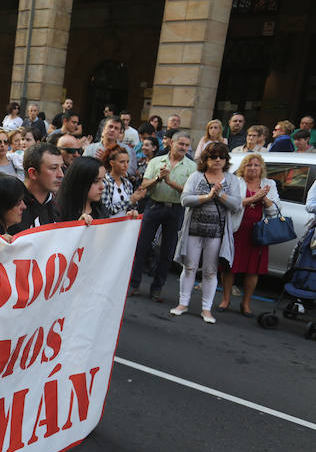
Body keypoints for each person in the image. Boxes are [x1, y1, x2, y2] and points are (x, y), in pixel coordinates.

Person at [170, 142, 241, 324]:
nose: (217, 160)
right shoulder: (196, 176)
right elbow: (185, 199)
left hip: (217, 233)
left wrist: (220, 195)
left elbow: (236, 204)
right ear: (206, 159)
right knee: (189, 267)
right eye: (213, 156)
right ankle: (182, 304)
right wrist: (207, 197)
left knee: (210, 271)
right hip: (193, 229)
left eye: (221, 157)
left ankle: (206, 309)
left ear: (226, 160)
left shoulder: (231, 180)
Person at [128, 131, 197, 301]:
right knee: (141, 246)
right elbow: (144, 185)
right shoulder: (156, 161)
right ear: (171, 143)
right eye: (181, 144)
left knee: (167, 251)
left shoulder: (192, 167)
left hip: (176, 209)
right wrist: (158, 178)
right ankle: (134, 284)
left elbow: (191, 192)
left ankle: (157, 288)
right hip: (154, 206)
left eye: (187, 145)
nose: (184, 148)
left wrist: (170, 182)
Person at [217, 153, 279, 316]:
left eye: (256, 165)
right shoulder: (236, 182)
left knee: (253, 270)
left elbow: (275, 211)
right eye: (249, 165)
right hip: (237, 230)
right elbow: (229, 203)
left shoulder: (269, 184)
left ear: (262, 169)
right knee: (230, 266)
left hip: (258, 232)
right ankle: (226, 299)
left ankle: (246, 304)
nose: (252, 168)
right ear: (243, 168)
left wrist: (264, 198)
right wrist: (252, 199)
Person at [13, 142, 63, 233]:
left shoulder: (58, 207)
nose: (61, 175)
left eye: (61, 167)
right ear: (33, 173)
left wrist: (78, 227)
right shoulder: (10, 207)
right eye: (53, 168)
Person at [56, 156, 109, 224]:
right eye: (96, 181)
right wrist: (78, 227)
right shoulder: (57, 213)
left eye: (103, 180)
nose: (102, 186)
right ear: (80, 182)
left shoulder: (101, 210)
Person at [102, 147, 146, 218]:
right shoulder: (104, 182)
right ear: (112, 163)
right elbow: (106, 210)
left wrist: (133, 208)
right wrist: (131, 200)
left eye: (127, 162)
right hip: (107, 226)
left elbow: (130, 207)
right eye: (122, 162)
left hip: (123, 225)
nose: (126, 165)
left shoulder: (127, 183)